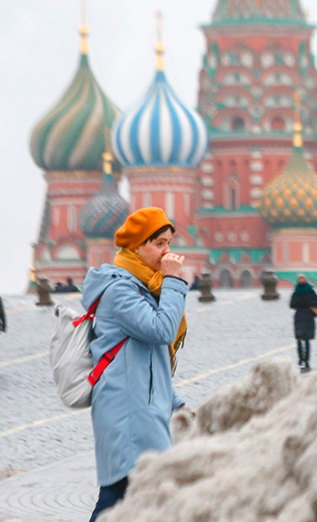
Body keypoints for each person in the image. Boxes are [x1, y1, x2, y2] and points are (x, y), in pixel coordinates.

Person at [82, 207, 192, 521]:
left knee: (127, 497)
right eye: (159, 243)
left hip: (141, 410)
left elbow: (145, 363)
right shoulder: (119, 291)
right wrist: (173, 282)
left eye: (168, 242)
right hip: (126, 414)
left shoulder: (144, 287)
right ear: (137, 247)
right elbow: (161, 330)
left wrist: (176, 404)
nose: (167, 251)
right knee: (124, 496)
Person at [289, 274, 317, 373]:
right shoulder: (310, 290)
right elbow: (316, 302)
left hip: (300, 316)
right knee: (306, 340)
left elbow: (292, 304)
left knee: (300, 339)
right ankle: (306, 361)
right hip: (308, 317)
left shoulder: (296, 291)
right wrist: (308, 303)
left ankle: (301, 359)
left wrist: (301, 303)